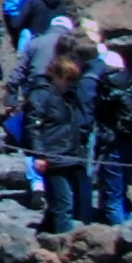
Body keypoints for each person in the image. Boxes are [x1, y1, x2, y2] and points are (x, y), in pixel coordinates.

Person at [26, 45, 96, 233]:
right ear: (57, 75)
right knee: (63, 203)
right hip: (53, 156)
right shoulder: (41, 95)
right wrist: (39, 155)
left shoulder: (69, 96)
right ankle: (65, 241)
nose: (72, 83)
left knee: (64, 202)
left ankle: (44, 236)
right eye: (69, 79)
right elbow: (33, 126)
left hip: (72, 154)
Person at [11, 12, 77, 193]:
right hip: (61, 97)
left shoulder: (35, 42)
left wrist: (12, 93)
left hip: (35, 91)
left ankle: (36, 182)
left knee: (31, 132)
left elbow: (19, 69)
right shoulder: (70, 44)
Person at [89, 42, 132, 225]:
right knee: (123, 192)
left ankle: (121, 233)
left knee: (112, 197)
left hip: (113, 143)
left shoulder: (104, 84)